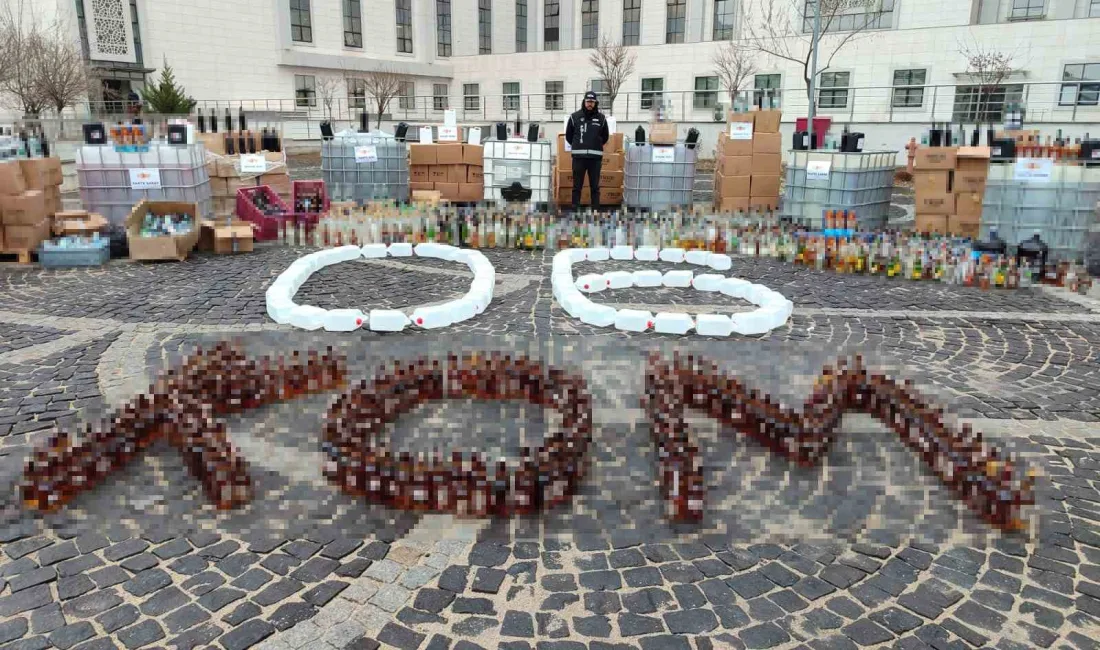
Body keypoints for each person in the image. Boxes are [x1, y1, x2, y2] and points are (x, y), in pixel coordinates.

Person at [565, 90, 609, 212]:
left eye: (592, 102)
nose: (590, 104)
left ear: (596, 103)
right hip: (579, 158)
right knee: (577, 186)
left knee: (595, 187)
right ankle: (575, 210)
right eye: (588, 101)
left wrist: (596, 144)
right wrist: (578, 146)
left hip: (595, 159)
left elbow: (605, 137)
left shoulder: (602, 118)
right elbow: (569, 136)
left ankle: (595, 210)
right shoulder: (574, 117)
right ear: (584, 102)